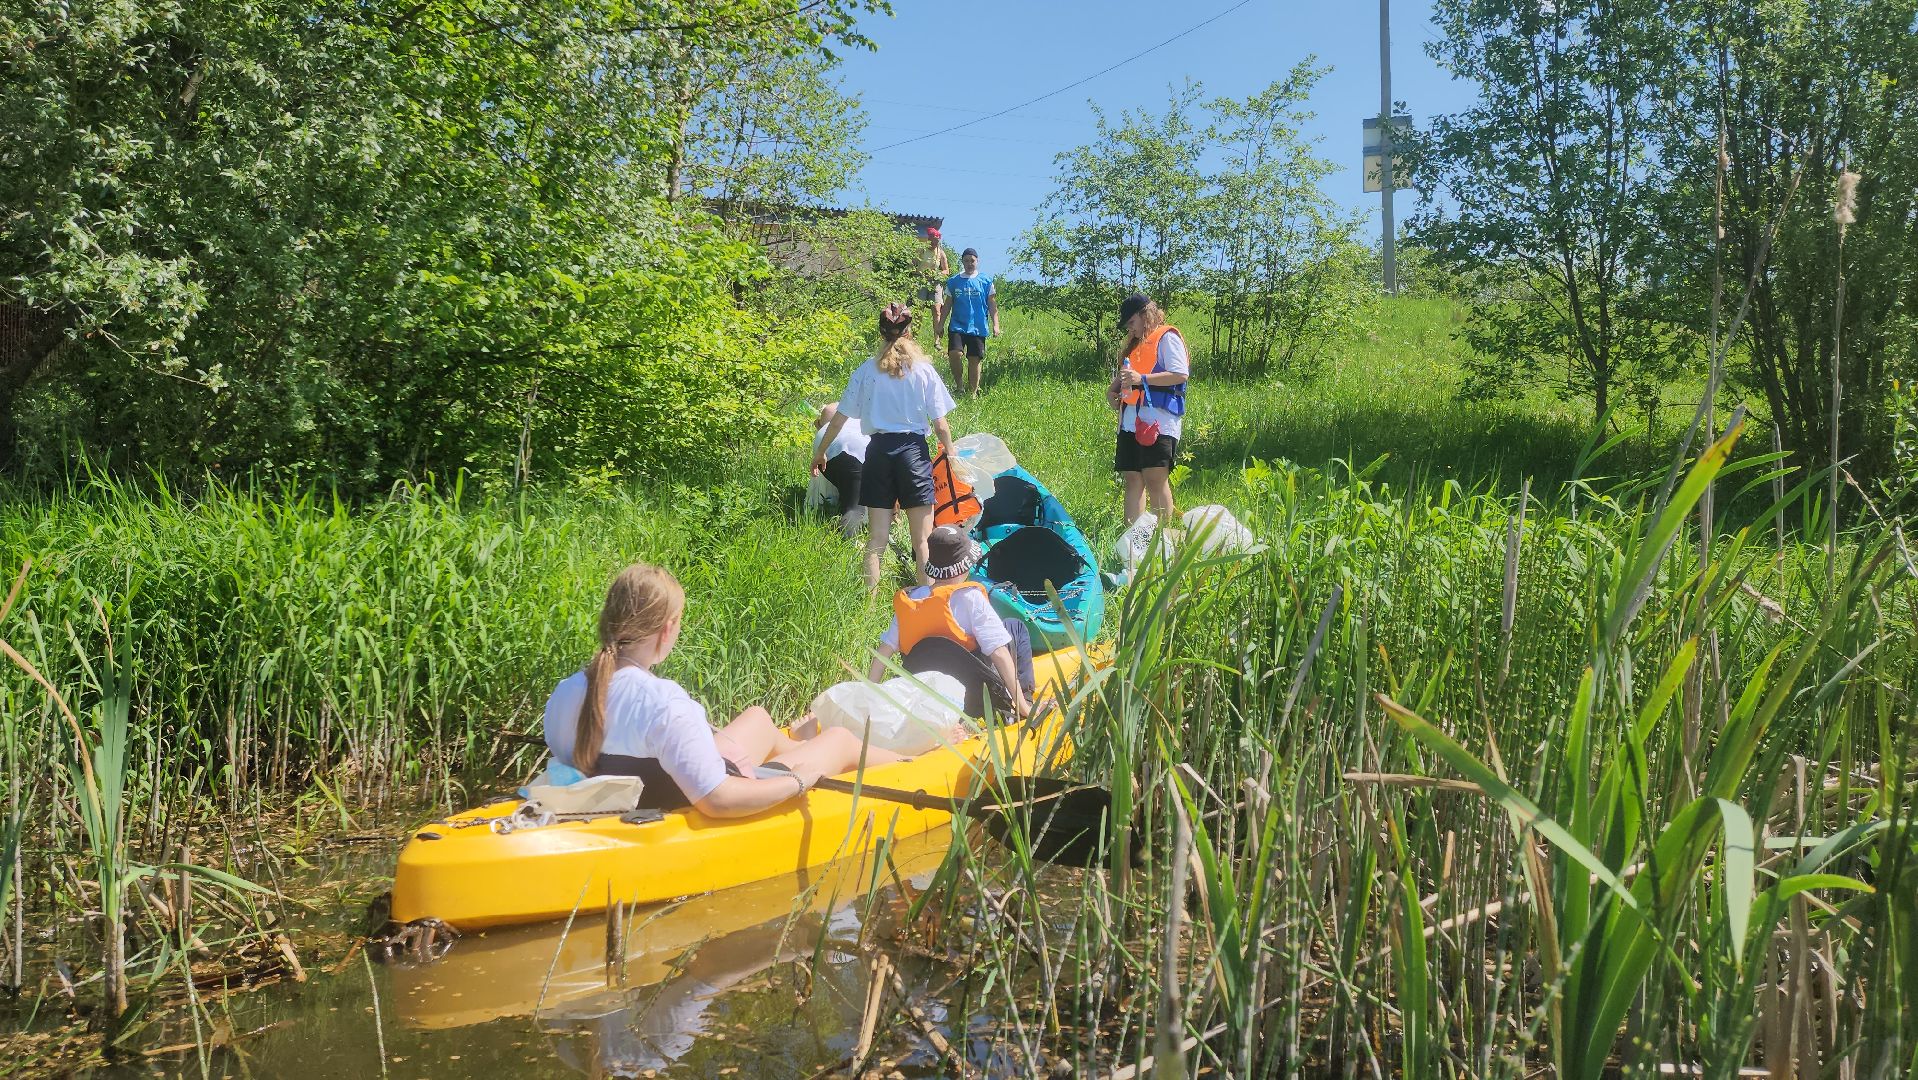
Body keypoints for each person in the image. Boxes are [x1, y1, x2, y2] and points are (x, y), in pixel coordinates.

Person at [542, 563, 909, 817]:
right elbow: (719, 800)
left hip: (666, 782)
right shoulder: (664, 702)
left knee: (759, 719)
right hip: (706, 797)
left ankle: (803, 743)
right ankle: (915, 766)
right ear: (667, 629)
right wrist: (798, 781)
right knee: (841, 740)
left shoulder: (565, 692)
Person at [814, 303, 956, 590]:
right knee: (922, 540)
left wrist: (820, 452)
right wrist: (951, 454)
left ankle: (869, 606)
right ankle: (926, 603)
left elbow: (838, 418)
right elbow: (941, 425)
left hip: (877, 453)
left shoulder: (866, 371)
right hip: (913, 453)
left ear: (881, 334)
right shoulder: (924, 371)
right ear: (909, 332)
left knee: (876, 539)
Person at [867, 526, 1034, 720]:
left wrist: (870, 697)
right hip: (974, 698)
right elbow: (999, 652)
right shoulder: (971, 597)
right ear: (965, 566)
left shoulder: (911, 600)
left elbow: (883, 653)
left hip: (925, 695)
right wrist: (1024, 708)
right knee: (1014, 626)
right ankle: (1024, 704)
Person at [1106, 292, 1188, 525]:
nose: (1129, 329)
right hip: (1130, 421)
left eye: (1131, 322)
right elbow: (1125, 376)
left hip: (1157, 421)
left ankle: (1161, 538)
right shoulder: (1135, 345)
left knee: (1154, 478)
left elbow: (1179, 374)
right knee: (1133, 478)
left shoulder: (1167, 337)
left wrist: (1141, 379)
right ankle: (1132, 537)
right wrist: (1111, 392)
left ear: (1145, 315)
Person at [942, 247, 998, 395]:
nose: (969, 263)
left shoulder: (985, 281)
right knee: (955, 354)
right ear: (962, 262)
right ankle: (959, 386)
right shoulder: (954, 281)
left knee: (974, 359)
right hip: (957, 326)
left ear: (977, 261)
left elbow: (992, 304)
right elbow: (947, 304)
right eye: (966, 261)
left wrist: (996, 325)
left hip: (977, 327)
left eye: (972, 260)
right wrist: (940, 324)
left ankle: (972, 393)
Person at [810, 401, 868, 539]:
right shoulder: (868, 412)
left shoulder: (833, 411)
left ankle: (826, 511)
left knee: (848, 491)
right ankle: (848, 544)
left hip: (826, 445)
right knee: (854, 507)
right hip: (859, 448)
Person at [919, 227, 950, 325]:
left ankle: (938, 333)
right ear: (928, 239)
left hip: (935, 282)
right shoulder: (921, 250)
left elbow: (946, 271)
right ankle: (914, 333)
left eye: (937, 242)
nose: (934, 244)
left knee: (937, 310)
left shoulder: (940, 252)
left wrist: (937, 273)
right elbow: (911, 266)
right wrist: (920, 273)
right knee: (919, 309)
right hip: (921, 282)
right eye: (932, 241)